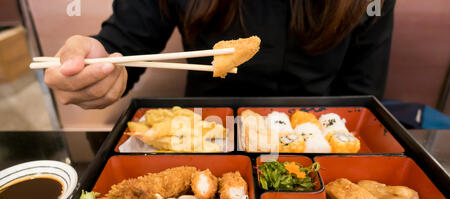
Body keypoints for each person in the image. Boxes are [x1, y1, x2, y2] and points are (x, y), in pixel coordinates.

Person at [44, 0, 396, 109]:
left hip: (313, 136)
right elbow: (124, 46)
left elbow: (361, 97)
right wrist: (98, 64)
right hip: (204, 134)